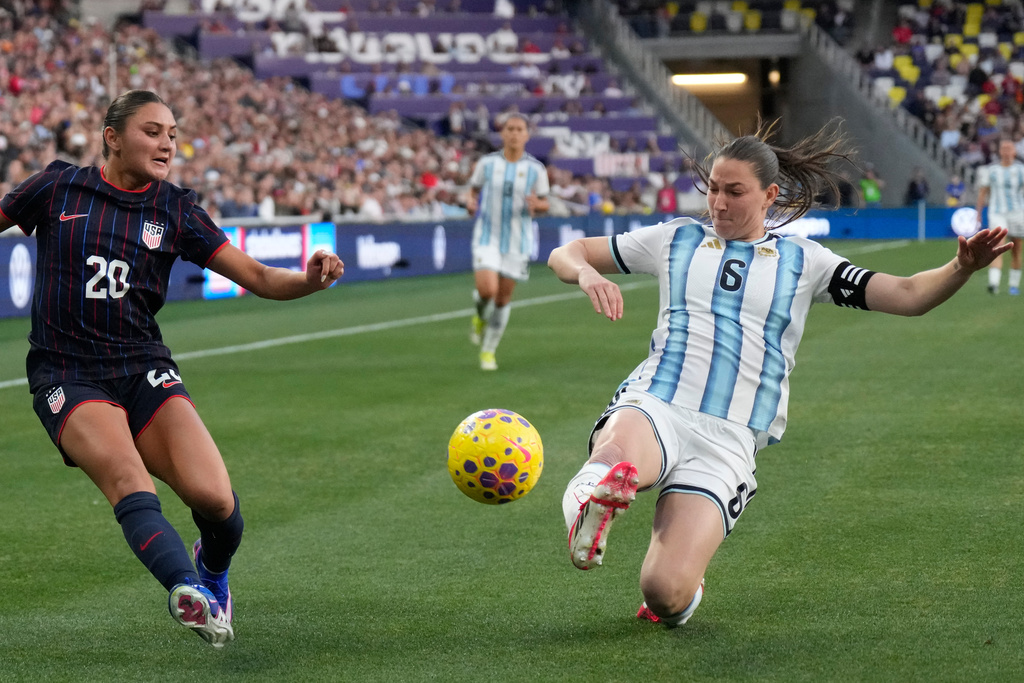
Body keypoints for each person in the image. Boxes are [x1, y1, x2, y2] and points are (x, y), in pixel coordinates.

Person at [547, 121, 1010, 628]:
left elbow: (906, 296)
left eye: (734, 192)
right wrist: (587, 271)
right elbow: (565, 253)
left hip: (729, 439)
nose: (718, 204)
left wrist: (960, 268)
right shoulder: (675, 239)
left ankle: (678, 583)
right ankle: (588, 505)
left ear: (770, 195)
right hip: (659, 400)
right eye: (713, 190)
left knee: (664, 594)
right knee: (617, 456)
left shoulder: (806, 261)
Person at [0, 90, 344, 647]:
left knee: (217, 504)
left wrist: (310, 278)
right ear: (112, 136)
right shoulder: (57, 187)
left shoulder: (176, 209)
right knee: (127, 480)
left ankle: (210, 570)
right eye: (153, 131)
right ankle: (190, 592)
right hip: (67, 372)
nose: (167, 144)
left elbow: (256, 277)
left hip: (144, 368)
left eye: (173, 135)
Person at [465, 113, 550, 370]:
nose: (514, 133)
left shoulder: (536, 169)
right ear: (502, 134)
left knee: (502, 299)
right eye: (509, 129)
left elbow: (546, 202)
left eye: (519, 129)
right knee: (487, 290)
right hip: (486, 236)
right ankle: (480, 315)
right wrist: (470, 201)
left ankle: (488, 351)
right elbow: (473, 189)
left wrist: (539, 205)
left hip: (518, 241)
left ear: (526, 135)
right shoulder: (487, 164)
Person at [974, 138, 1024, 295]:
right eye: (1004, 148)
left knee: (1016, 249)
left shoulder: (1021, 170)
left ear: (1014, 152)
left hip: (1017, 213)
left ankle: (1013, 285)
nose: (1007, 151)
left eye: (1009, 148)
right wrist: (978, 213)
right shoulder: (992, 170)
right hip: (997, 212)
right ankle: (993, 283)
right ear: (1000, 151)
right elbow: (983, 191)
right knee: (996, 246)